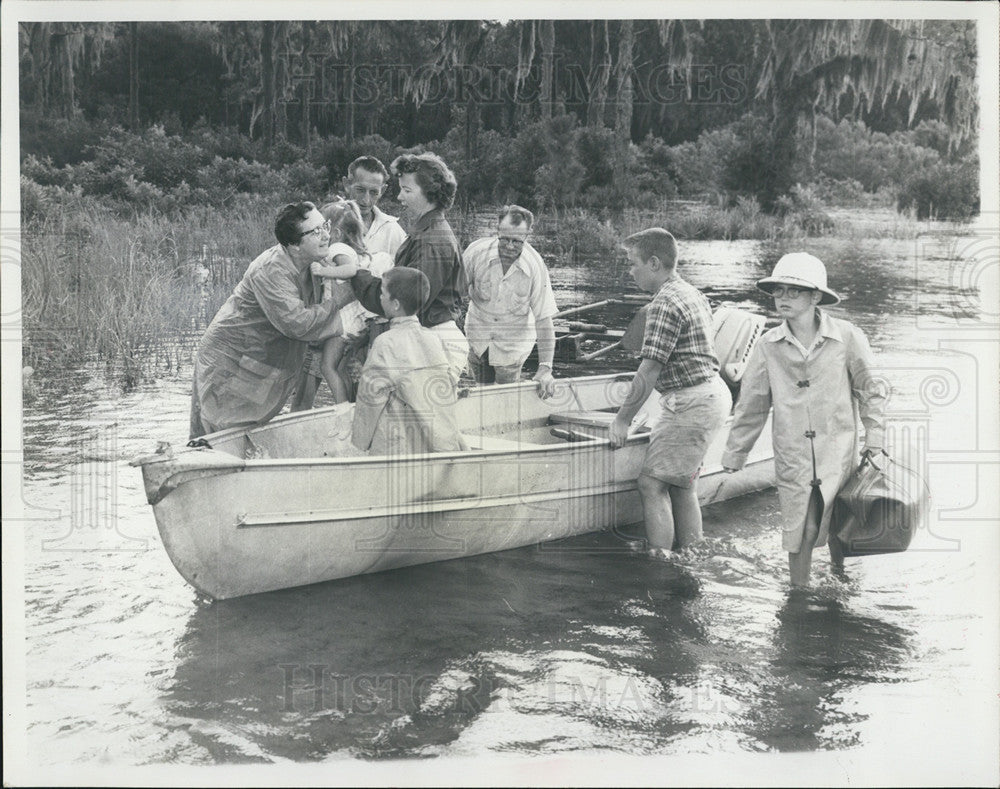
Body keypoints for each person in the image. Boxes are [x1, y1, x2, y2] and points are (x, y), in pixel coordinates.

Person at [721, 253, 886, 589]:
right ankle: (798, 599)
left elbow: (872, 391)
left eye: (793, 291)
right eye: (779, 291)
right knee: (802, 528)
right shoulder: (768, 345)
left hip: (837, 449)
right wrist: (736, 453)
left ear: (815, 297)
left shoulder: (847, 337)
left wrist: (877, 440)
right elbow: (752, 404)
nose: (783, 298)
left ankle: (840, 579)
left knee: (840, 519)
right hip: (793, 452)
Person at [608, 228, 732, 557]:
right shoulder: (690, 292)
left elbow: (649, 370)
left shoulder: (664, 303)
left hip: (692, 402)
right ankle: (691, 552)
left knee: (651, 484)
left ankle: (660, 560)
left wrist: (622, 420)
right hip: (711, 394)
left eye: (633, 263)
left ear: (653, 263)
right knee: (682, 483)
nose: (630, 270)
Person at [189, 201, 348, 438]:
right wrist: (339, 300)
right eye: (316, 231)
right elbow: (298, 324)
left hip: (259, 358)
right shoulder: (271, 269)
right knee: (217, 437)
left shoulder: (316, 259)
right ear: (294, 245)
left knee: (248, 434)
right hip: (232, 360)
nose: (326, 234)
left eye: (324, 226)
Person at [292, 156, 406, 410]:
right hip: (326, 316)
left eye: (374, 193)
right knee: (306, 386)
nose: (366, 200)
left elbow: (398, 285)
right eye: (359, 190)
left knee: (358, 392)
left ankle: (348, 434)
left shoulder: (393, 231)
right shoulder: (328, 218)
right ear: (346, 184)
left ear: (384, 191)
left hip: (365, 328)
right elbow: (305, 269)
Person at [350, 152, 469, 381]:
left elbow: (404, 300)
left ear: (430, 194)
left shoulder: (432, 240)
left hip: (433, 342)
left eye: (407, 190)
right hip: (423, 339)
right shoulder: (426, 231)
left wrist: (356, 273)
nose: (399, 198)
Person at [351, 267, 468, 455]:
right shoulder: (434, 339)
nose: (380, 297)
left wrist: (359, 443)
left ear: (395, 304)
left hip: (394, 443)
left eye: (382, 293)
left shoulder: (385, 343)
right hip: (432, 439)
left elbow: (370, 398)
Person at [462, 205, 559, 398]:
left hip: (512, 348)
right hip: (477, 339)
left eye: (516, 241)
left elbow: (543, 320)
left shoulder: (536, 267)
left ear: (527, 235)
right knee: (478, 395)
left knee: (504, 400)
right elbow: (454, 295)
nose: (509, 246)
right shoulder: (475, 252)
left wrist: (545, 368)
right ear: (497, 229)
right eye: (504, 239)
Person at [308, 200, 368, 403]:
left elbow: (350, 270)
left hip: (344, 322)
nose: (321, 234)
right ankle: (349, 406)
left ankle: (342, 408)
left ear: (337, 232)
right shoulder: (351, 249)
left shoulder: (338, 247)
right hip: (355, 321)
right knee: (341, 367)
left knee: (327, 366)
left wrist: (323, 271)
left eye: (324, 228)